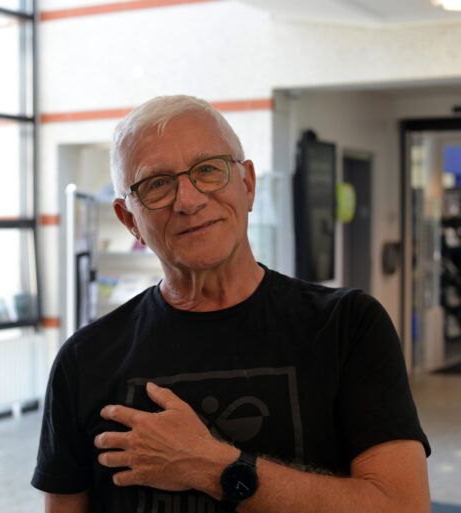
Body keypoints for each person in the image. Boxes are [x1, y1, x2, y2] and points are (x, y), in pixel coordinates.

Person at [31, 95, 431, 513]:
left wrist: (211, 466)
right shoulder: (84, 360)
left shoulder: (348, 326)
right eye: (157, 184)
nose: (188, 200)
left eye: (208, 170)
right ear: (130, 220)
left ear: (248, 185)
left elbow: (402, 506)